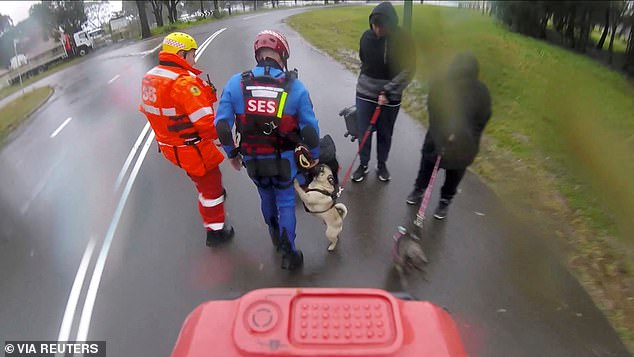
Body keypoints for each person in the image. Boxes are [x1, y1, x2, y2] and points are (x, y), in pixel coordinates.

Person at [214, 30, 320, 271]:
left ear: (257, 54)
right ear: (282, 55)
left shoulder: (236, 83)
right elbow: (311, 130)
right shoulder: (296, 88)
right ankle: (289, 252)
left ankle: (274, 235)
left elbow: (221, 124)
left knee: (266, 196)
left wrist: (231, 153)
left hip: (253, 160)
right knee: (285, 200)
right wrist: (313, 156)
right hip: (284, 161)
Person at [139, 32, 234, 247]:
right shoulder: (183, 84)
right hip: (193, 149)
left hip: (171, 146)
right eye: (192, 55)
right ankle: (216, 230)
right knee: (211, 186)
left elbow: (153, 110)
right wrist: (228, 142)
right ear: (181, 54)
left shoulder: (151, 77)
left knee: (200, 179)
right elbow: (207, 124)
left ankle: (212, 201)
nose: (194, 59)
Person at [406, 52, 492, 220]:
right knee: (427, 167)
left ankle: (445, 201)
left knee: (454, 175)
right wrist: (443, 132)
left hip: (464, 146)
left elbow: (481, 119)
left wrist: (463, 136)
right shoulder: (442, 86)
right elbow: (433, 110)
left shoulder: (481, 92)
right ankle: (419, 189)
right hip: (437, 138)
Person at [352, 1, 417, 183]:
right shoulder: (366, 37)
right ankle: (363, 164)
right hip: (365, 92)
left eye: (382, 27)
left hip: (391, 95)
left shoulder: (404, 40)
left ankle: (382, 164)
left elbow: (410, 68)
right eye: (375, 26)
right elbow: (364, 60)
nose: (378, 31)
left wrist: (388, 90)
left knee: (385, 132)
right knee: (364, 131)